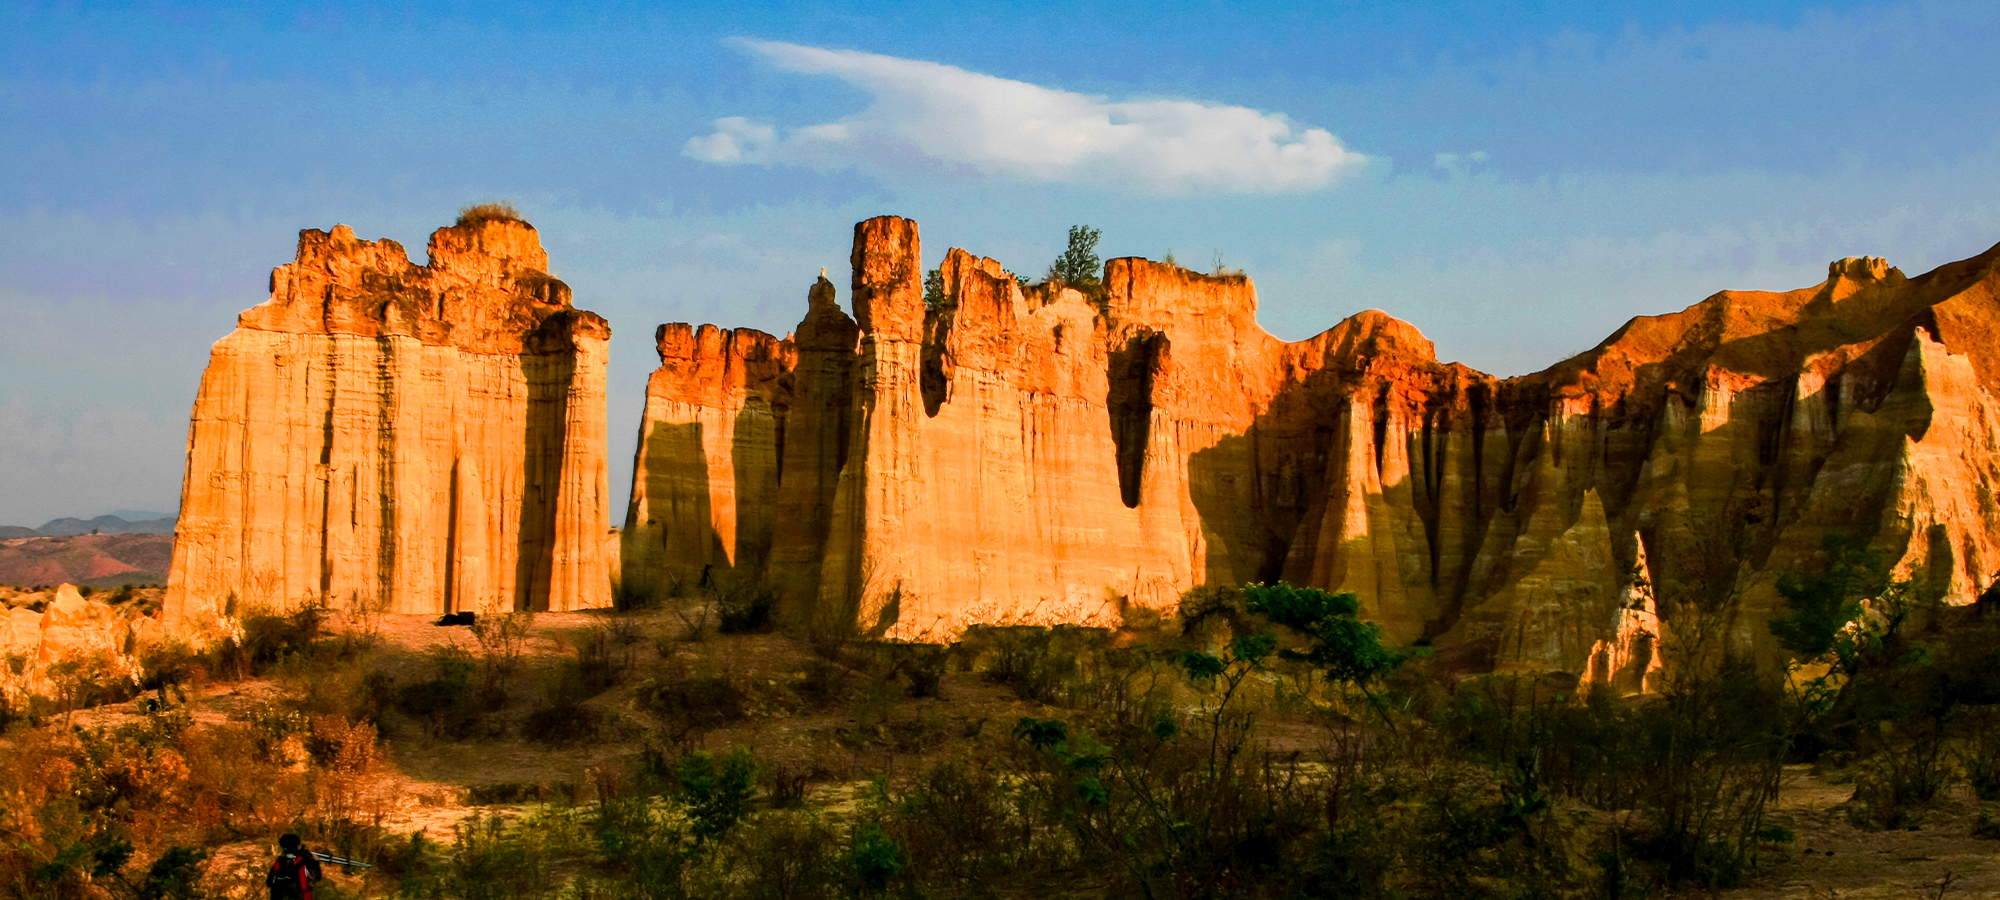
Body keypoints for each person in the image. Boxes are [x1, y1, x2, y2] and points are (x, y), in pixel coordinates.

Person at [267, 833, 325, 900]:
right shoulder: (304, 861)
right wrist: (316, 862)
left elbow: (269, 883)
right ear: (298, 846)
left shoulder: (279, 862)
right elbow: (317, 877)